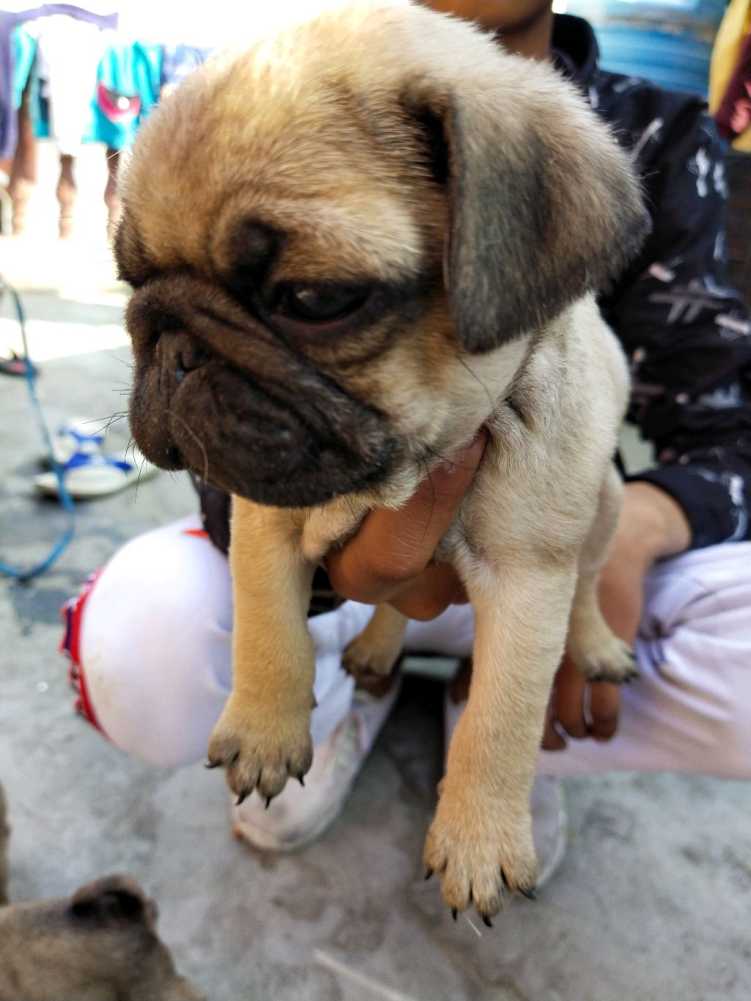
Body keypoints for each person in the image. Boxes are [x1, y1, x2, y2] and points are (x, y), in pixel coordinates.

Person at [60, 0, 751, 883]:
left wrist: (620, 538)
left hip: (555, 555)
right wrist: (338, 568)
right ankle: (344, 692)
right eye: (147, 288)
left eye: (312, 297)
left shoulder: (659, 137)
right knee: (138, 635)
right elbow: (250, 477)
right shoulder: (249, 94)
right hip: (339, 572)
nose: (181, 362)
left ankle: (495, 729)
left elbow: (724, 425)